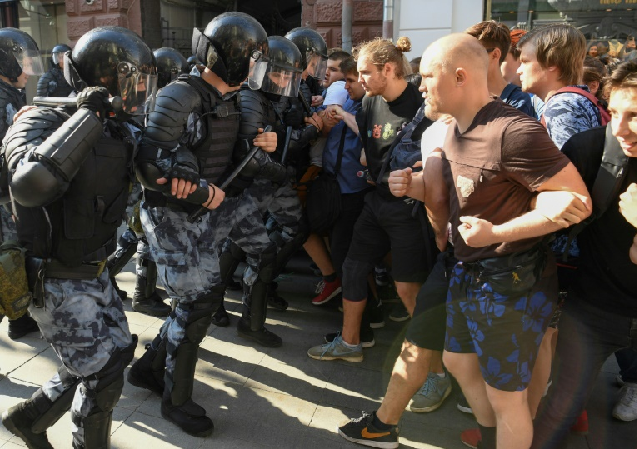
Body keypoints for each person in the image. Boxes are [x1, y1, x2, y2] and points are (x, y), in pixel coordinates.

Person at [416, 33, 588, 449]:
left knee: (506, 397)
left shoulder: (513, 130)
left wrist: (498, 233)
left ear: (459, 77)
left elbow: (577, 200)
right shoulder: (455, 126)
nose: (419, 86)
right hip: (468, 272)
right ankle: (497, 439)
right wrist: (416, 187)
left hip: (510, 279)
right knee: (457, 361)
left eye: (425, 76)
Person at [0, 26, 152, 448]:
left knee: (117, 351)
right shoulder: (37, 117)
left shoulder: (121, 128)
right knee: (100, 372)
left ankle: (29, 418)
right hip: (55, 274)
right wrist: (88, 116)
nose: (139, 91)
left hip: (95, 267)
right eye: (133, 81)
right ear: (106, 78)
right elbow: (30, 186)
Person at [126, 13, 276, 437]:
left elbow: (226, 154)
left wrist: (264, 143)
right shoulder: (180, 95)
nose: (255, 68)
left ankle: (148, 370)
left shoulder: (229, 97)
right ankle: (175, 400)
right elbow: (149, 165)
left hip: (204, 217)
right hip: (171, 214)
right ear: (230, 57)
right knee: (197, 302)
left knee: (200, 300)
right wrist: (196, 193)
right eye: (251, 58)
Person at [531, 60, 637, 448]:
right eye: (615, 113)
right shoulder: (591, 147)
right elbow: (540, 207)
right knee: (561, 405)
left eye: (636, 116)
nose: (621, 129)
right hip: (596, 304)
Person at [307, 36, 431, 362]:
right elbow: (367, 147)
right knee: (352, 268)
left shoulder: (422, 105)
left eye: (363, 72)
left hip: (409, 208)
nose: (357, 79)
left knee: (407, 287)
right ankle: (350, 344)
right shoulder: (369, 103)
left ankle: (434, 369)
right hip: (375, 201)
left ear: (388, 69)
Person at [105, 46, 191, 317]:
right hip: (141, 183)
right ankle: (142, 294)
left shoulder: (153, 99)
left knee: (136, 235)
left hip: (141, 182)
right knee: (143, 236)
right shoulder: (151, 102)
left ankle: (114, 282)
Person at [0, 27, 44, 340]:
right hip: (3, 196)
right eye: (22, 65)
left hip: (8, 194)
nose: (28, 73)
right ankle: (17, 318)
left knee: (14, 257)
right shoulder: (4, 99)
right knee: (8, 259)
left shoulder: (11, 95)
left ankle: (20, 317)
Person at [465, 21, 534, 117]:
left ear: (495, 55)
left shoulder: (517, 99)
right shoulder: (462, 93)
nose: (466, 59)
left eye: (474, 53)